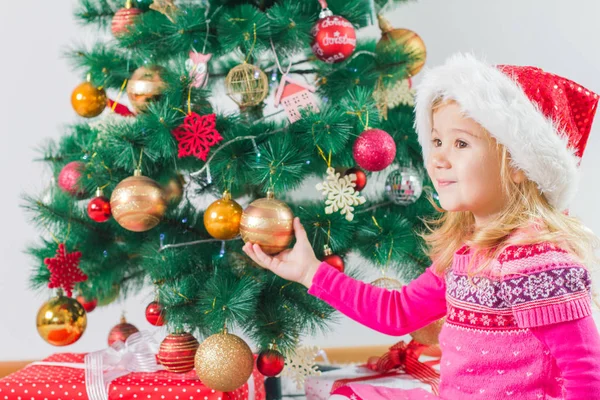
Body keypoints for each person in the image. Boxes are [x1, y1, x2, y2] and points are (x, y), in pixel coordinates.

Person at [243, 53, 600, 399]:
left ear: (519, 164)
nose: (439, 158)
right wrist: (311, 272)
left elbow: (585, 373)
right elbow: (398, 312)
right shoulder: (467, 251)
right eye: (437, 141)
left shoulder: (536, 261)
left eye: (460, 143)